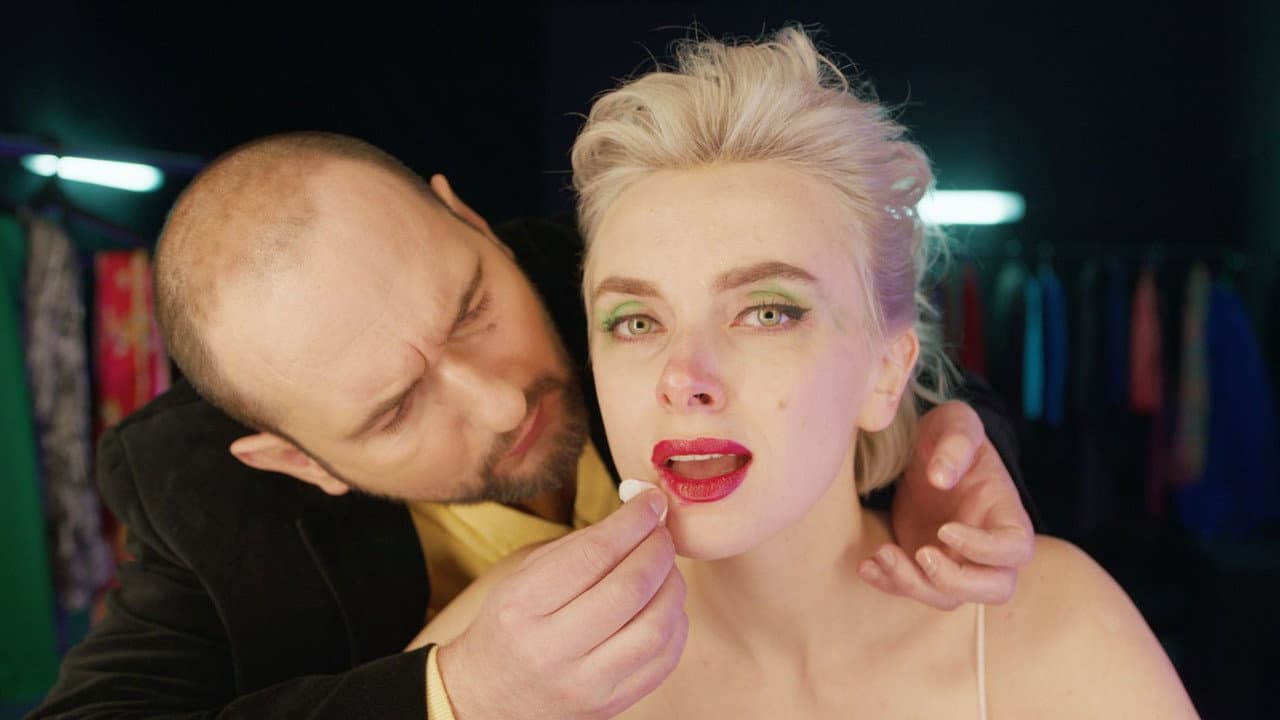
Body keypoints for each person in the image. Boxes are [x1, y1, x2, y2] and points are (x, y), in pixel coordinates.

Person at [31, 127, 1036, 719]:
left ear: (473, 223)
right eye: (397, 409)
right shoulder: (208, 503)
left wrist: (943, 439)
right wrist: (461, 697)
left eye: (472, 308)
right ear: (298, 460)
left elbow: (846, 330)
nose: (502, 399)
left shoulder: (609, 266)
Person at [416, 28, 1198, 718]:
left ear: (886, 373)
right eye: (637, 322)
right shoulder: (495, 664)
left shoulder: (1054, 625)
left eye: (768, 312)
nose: (684, 377)